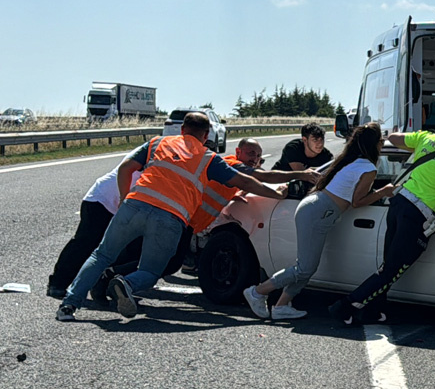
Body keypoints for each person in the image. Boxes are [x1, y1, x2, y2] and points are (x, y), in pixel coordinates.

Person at [56, 113, 286, 321]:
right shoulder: (209, 159)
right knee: (151, 270)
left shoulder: (158, 143)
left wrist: (126, 198)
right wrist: (274, 193)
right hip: (170, 217)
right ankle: (126, 283)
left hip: (135, 205)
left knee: (102, 255)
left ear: (182, 130)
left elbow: (126, 167)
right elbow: (244, 181)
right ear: (206, 136)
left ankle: (68, 306)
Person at [329, 109, 435, 326]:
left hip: (398, 203)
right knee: (391, 270)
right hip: (418, 215)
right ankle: (345, 306)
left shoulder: (427, 138)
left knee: (388, 265)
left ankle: (374, 311)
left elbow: (394, 139)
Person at [243, 123, 393, 321]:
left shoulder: (350, 160)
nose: (382, 144)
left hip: (315, 207)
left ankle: (281, 306)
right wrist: (384, 192)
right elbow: (357, 202)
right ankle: (257, 292)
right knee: (305, 267)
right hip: (319, 212)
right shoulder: (368, 168)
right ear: (375, 144)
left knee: (306, 266)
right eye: (381, 141)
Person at [47, 142, 149, 298]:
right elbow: (127, 168)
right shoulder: (154, 148)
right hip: (103, 199)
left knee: (132, 246)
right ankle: (58, 283)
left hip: (127, 205)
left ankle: (103, 282)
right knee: (86, 242)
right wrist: (124, 199)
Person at [188, 138, 321, 234]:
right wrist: (300, 175)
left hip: (194, 222)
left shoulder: (230, 164)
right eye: (251, 153)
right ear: (238, 151)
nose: (255, 159)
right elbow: (263, 177)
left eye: (258, 156)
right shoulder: (233, 164)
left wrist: (233, 196)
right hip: (189, 221)